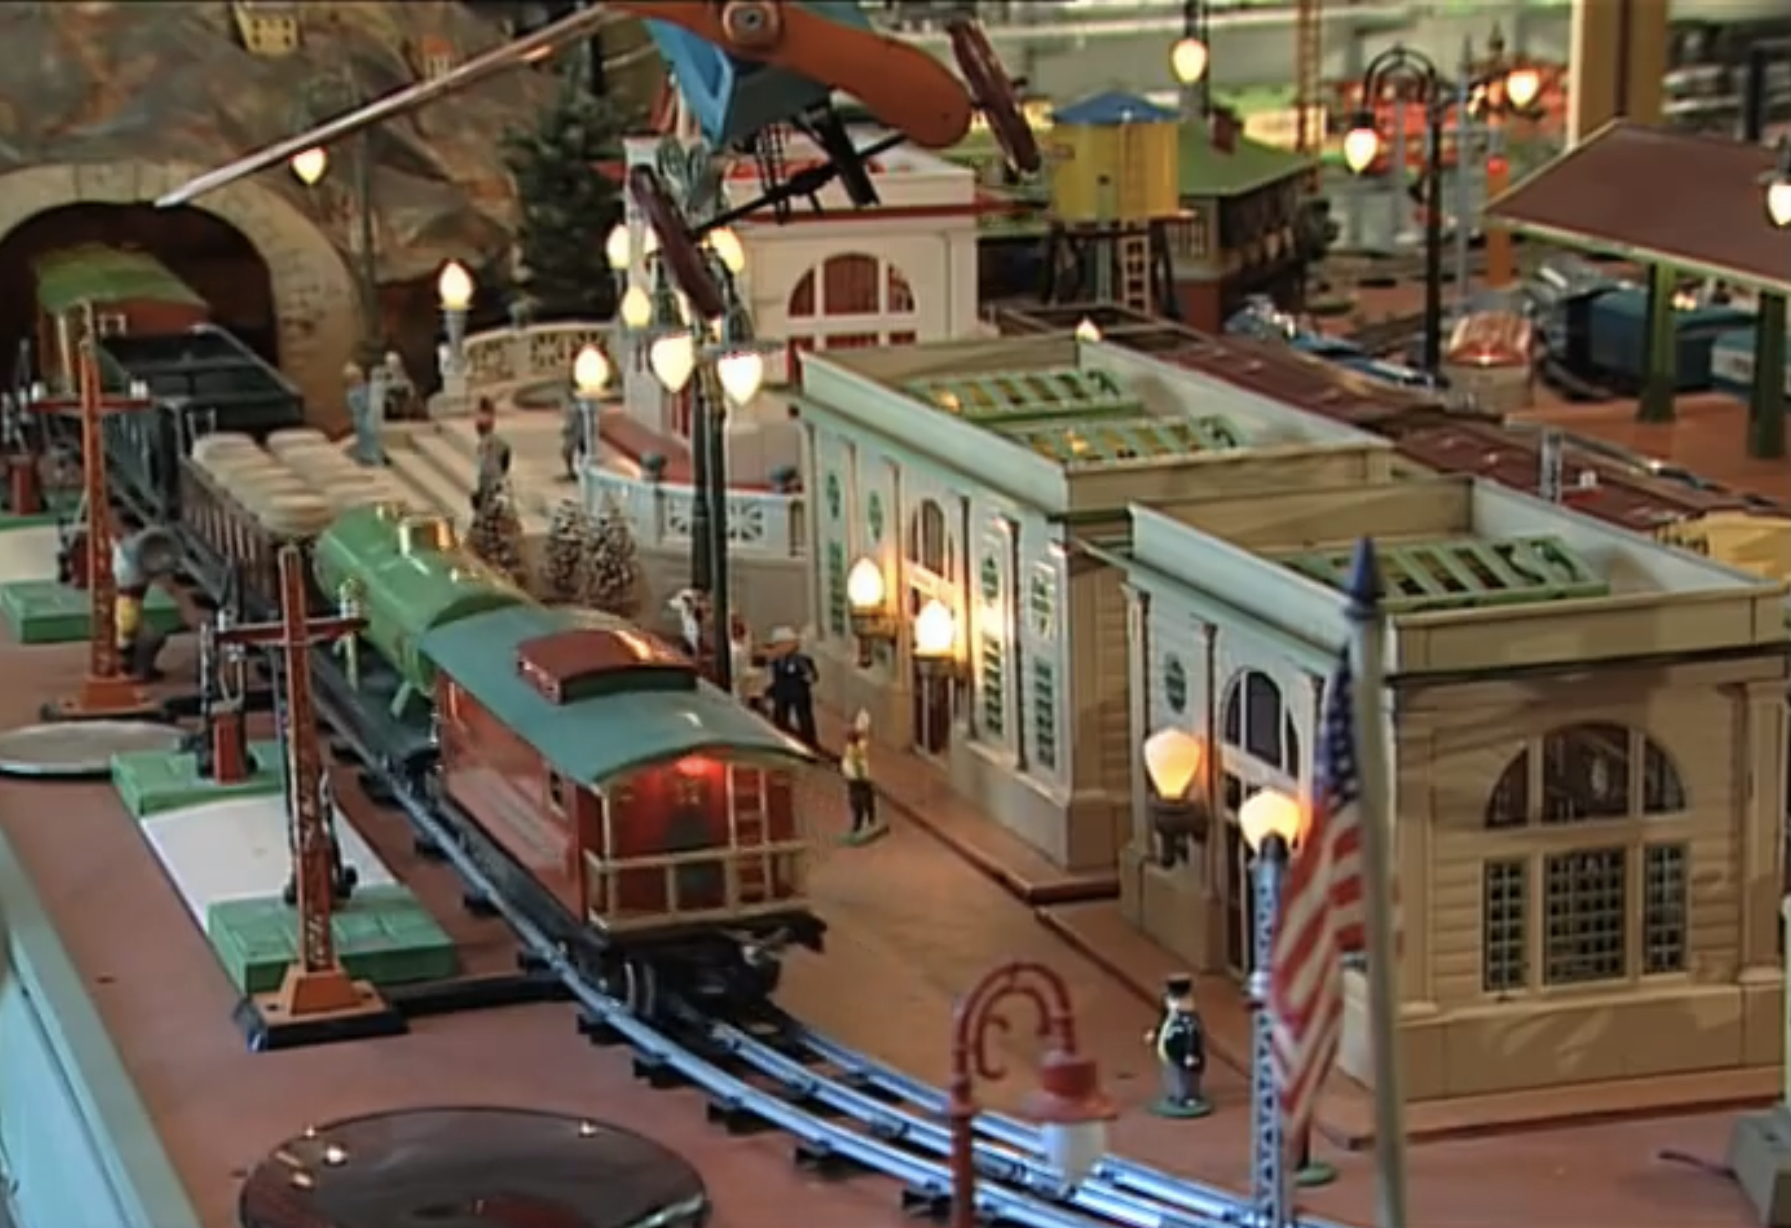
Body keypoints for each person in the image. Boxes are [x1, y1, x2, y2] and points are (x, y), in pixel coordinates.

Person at [1145, 974, 1210, 1118]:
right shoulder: (1169, 1016)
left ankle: (1187, 1096)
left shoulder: (1189, 1020)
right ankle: (1174, 1093)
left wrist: (1191, 1053)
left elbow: (1193, 1036)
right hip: (1169, 1051)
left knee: (1186, 1076)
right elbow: (1163, 1025)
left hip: (1183, 1054)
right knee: (1172, 1074)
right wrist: (1155, 1033)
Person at [765, 626, 818, 747]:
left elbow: (812, 676)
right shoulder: (776, 662)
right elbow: (777, 679)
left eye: (781, 645)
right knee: (780, 719)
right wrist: (770, 691)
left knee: (804, 719)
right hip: (781, 695)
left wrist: (807, 676)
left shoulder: (801, 660)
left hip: (798, 695)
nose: (778, 648)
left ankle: (809, 742)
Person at [840, 710, 884, 843]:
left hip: (858, 778)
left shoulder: (857, 747)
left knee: (860, 800)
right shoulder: (856, 746)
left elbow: (861, 736)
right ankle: (865, 821)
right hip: (856, 777)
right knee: (862, 799)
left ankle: (864, 822)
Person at [472, 399, 512, 514]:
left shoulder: (483, 445)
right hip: (496, 478)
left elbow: (484, 468)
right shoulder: (496, 443)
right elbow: (506, 453)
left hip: (490, 480)